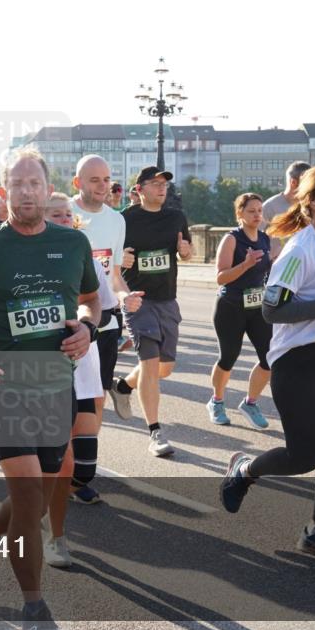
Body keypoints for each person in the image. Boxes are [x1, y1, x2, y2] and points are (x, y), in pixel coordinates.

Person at [0, 147, 100, 630]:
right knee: (30, 494)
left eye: (35, 183)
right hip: (5, 382)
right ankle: (36, 608)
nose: (27, 191)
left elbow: (92, 301)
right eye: (18, 183)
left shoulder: (73, 244)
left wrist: (88, 330)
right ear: (3, 190)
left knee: (35, 494)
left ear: (49, 189)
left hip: (56, 383)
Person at [220, 164, 315, 564]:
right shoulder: (300, 248)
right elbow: (272, 309)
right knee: (306, 455)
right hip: (297, 362)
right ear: (313, 204)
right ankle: (244, 470)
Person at [42, 193, 114, 567]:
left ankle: (4, 520)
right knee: (60, 460)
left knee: (82, 469)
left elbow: (100, 304)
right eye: (57, 214)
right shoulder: (27, 257)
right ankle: (51, 533)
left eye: (69, 214)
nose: (67, 219)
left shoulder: (82, 254)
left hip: (84, 367)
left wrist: (90, 327)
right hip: (43, 372)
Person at [68, 155, 138, 504]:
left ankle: (81, 470)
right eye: (94, 179)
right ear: (77, 182)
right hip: (71, 323)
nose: (103, 186)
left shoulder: (117, 220)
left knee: (95, 400)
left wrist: (124, 297)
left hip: (105, 320)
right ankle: (65, 467)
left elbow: (112, 274)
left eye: (107, 179)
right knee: (70, 403)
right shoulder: (62, 213)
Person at [108, 166, 192, 457]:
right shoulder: (124, 220)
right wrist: (124, 259)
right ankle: (155, 432)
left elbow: (187, 251)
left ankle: (122, 386)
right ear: (139, 189)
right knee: (151, 363)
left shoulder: (176, 217)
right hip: (137, 300)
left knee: (163, 368)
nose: (161, 188)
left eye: (164, 184)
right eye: (155, 184)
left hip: (168, 299)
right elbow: (112, 258)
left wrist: (184, 250)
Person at [207, 193, 273, 429]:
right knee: (228, 357)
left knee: (270, 358)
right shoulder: (232, 239)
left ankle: (250, 402)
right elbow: (221, 277)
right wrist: (245, 265)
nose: (257, 215)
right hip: (231, 307)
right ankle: (217, 401)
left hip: (257, 307)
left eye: (259, 210)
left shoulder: (265, 239)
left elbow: (269, 272)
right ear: (240, 214)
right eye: (251, 211)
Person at [260, 161, 311, 259]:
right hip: (278, 267)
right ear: (293, 182)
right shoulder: (270, 207)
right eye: (308, 183)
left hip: (307, 265)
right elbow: (252, 236)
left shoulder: (312, 206)